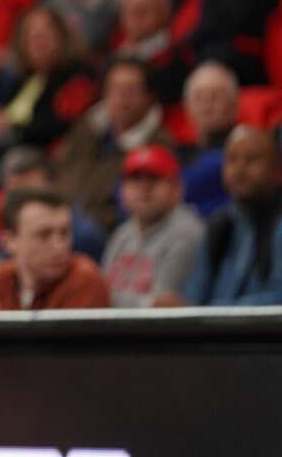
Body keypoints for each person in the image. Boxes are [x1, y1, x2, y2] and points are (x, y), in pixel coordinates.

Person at [53, 57, 172, 230]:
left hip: (105, 230)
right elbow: (61, 169)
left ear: (149, 96)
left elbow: (132, 210)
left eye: (131, 90)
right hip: (62, 215)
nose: (122, 98)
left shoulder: (157, 146)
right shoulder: (88, 127)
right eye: (116, 89)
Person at [177, 126, 282, 306]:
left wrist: (211, 312)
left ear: (276, 170)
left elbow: (278, 300)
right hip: (218, 331)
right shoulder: (219, 224)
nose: (239, 169)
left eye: (252, 160)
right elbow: (195, 295)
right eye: (232, 159)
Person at [0, 188, 110, 310]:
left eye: (64, 233)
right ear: (10, 241)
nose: (59, 246)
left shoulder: (85, 281)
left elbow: (57, 350)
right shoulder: (0, 280)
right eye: (43, 235)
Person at [103, 145, 204, 307]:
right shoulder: (123, 233)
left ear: (177, 188)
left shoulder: (187, 233)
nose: (144, 188)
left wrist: (110, 300)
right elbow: (102, 294)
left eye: (154, 178)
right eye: (135, 178)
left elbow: (163, 309)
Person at [0, 6, 96, 149]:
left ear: (61, 36)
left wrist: (13, 126)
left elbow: (65, 124)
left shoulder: (78, 75)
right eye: (31, 33)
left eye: (46, 32)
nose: (38, 37)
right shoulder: (24, 79)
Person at [114, 0, 189, 104]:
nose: (135, 15)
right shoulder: (115, 55)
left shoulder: (177, 58)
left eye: (144, 10)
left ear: (165, 13)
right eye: (130, 8)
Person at [180, 61, 241, 216]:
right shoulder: (177, 153)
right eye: (199, 97)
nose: (207, 104)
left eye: (215, 96)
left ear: (234, 104)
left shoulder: (245, 152)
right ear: (187, 107)